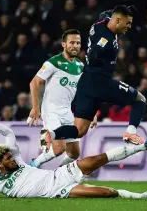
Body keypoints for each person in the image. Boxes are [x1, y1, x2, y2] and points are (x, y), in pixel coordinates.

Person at [0, 120, 147, 199]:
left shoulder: (18, 162)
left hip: (58, 175)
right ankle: (146, 196)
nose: (12, 159)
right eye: (7, 158)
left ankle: (144, 146)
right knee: (108, 193)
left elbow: (8, 133)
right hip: (58, 192)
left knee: (98, 158)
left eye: (11, 156)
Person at [47, 5, 147, 146]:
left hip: (86, 82)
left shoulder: (102, 21)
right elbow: (97, 49)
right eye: (128, 23)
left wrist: (129, 9)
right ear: (118, 20)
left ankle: (51, 134)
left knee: (79, 131)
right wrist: (96, 53)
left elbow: (105, 13)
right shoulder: (106, 42)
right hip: (101, 83)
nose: (129, 26)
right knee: (139, 100)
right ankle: (130, 132)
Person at [27, 29, 97, 168]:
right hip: (51, 110)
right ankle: (35, 163)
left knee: (74, 153)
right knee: (59, 148)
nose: (75, 45)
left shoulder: (80, 66)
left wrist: (92, 113)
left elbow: (84, 93)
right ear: (63, 44)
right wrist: (35, 107)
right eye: (72, 42)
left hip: (66, 111)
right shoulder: (54, 62)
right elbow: (35, 82)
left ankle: (61, 174)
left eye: (78, 43)